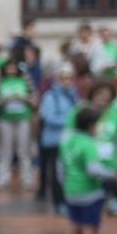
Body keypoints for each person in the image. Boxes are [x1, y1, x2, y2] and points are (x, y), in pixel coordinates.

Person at [58, 105, 111, 234]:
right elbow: (93, 169)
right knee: (89, 231)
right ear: (90, 126)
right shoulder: (89, 144)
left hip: (71, 191)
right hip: (90, 193)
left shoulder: (68, 141)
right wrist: (111, 174)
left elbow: (61, 168)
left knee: (72, 228)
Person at [38, 64, 77, 210]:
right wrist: (70, 120)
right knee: (55, 173)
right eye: (63, 78)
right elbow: (48, 117)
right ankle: (58, 202)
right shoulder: (50, 96)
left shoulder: (74, 95)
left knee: (67, 172)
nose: (66, 81)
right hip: (54, 140)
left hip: (70, 140)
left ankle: (67, 198)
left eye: (69, 78)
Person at [0, 57, 37, 189]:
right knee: (5, 149)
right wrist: (5, 99)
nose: (11, 70)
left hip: (23, 117)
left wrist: (24, 98)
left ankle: (27, 177)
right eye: (9, 67)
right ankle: (3, 177)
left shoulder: (25, 80)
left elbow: (34, 97)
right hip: (5, 118)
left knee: (24, 149)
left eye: (13, 67)